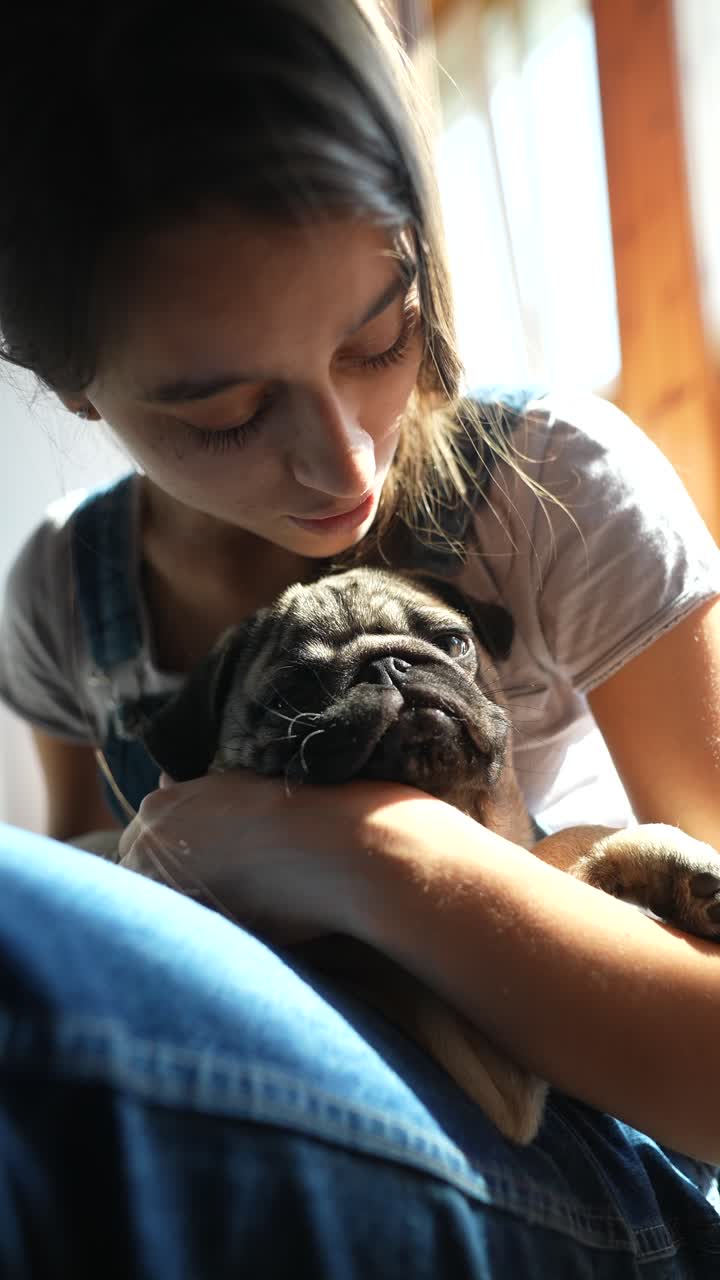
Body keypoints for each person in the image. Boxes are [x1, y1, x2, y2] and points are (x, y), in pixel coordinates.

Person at [1, 1, 720, 1274]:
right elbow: (98, 876)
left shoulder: (556, 491)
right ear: (67, 381)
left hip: (595, 1145)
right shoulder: (68, 594)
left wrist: (354, 849)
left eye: (382, 335)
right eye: (225, 412)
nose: (345, 461)